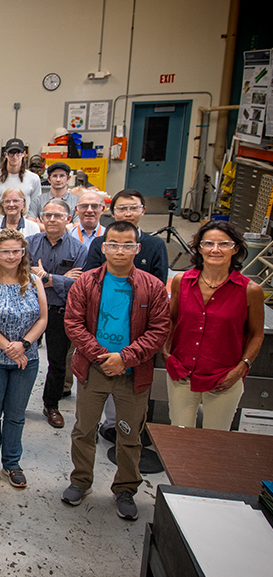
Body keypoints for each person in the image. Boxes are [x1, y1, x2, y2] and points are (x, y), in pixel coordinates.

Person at [62, 221, 171, 520]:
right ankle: (80, 480)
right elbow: (73, 323)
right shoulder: (87, 282)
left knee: (129, 434)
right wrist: (100, 356)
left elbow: (159, 330)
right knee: (84, 430)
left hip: (133, 373)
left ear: (137, 248)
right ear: (103, 247)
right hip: (92, 369)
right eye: (112, 244)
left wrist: (125, 358)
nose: (119, 251)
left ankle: (125, 488)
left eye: (126, 245)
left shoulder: (153, 286)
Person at [164, 221, 264, 431]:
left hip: (224, 377)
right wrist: (166, 353)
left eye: (223, 244)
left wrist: (240, 369)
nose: (215, 250)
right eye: (208, 243)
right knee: (180, 437)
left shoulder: (250, 290)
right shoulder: (181, 281)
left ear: (235, 248)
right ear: (199, 248)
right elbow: (171, 319)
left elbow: (256, 334)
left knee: (215, 441)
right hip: (182, 373)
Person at [0, 229, 48, 488]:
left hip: (26, 359)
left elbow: (43, 318)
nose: (11, 256)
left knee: (16, 414)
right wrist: (9, 347)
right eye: (5, 251)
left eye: (16, 251)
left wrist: (24, 345)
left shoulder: (34, 281)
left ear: (23, 253)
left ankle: (12, 461)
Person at [26, 200, 87, 429]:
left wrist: (44, 277)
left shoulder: (79, 249)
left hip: (60, 311)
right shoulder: (29, 244)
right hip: (29, 310)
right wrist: (61, 278)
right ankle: (16, 403)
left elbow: (78, 285)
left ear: (68, 219)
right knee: (23, 357)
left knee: (58, 362)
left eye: (57, 215)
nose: (52, 219)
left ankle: (51, 405)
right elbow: (21, 276)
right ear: (41, 218)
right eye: (48, 215)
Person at [83, 189, 168, 282]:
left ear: (143, 210)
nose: (128, 214)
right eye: (122, 209)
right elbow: (91, 279)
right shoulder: (99, 243)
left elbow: (159, 284)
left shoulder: (156, 245)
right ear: (112, 212)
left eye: (134, 208)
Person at [0, 138, 43, 204]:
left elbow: (36, 207)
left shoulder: (34, 179)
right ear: (5, 154)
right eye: (11, 153)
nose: (15, 157)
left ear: (24, 153)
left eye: (18, 153)